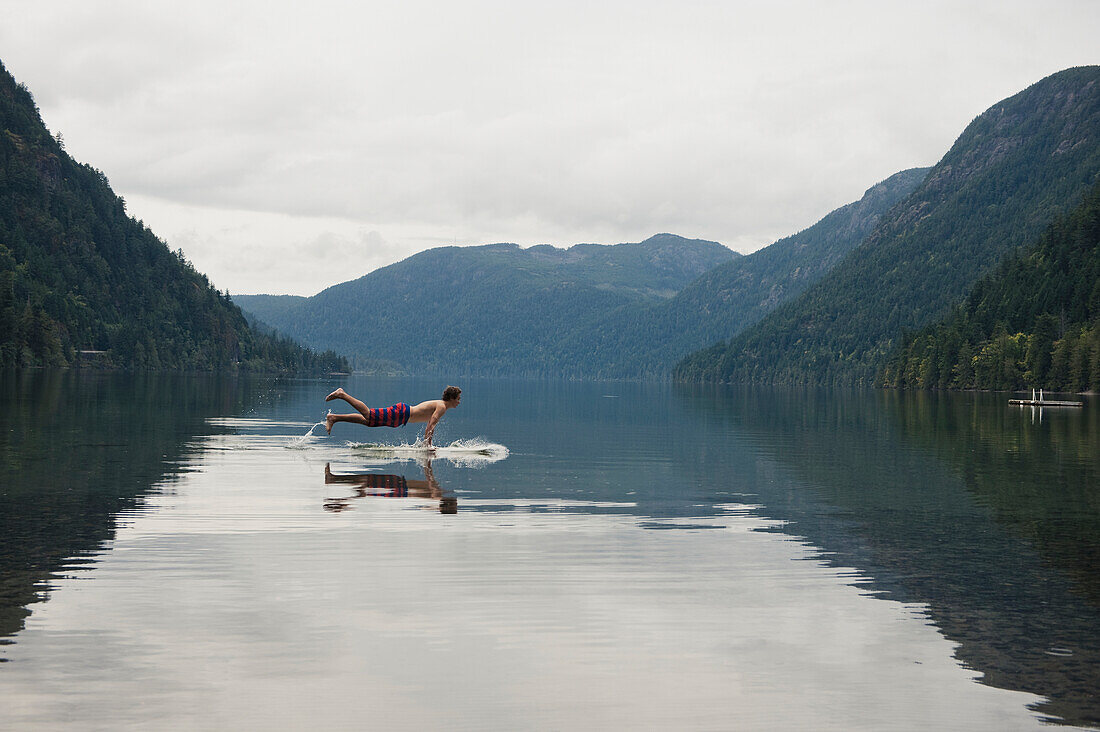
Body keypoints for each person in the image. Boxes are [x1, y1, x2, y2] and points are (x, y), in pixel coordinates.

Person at [324, 386, 461, 447]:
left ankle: (334, 418)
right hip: (402, 413)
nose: (459, 402)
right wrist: (428, 446)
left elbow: (430, 426)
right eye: (458, 399)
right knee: (369, 414)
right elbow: (430, 425)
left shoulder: (441, 405)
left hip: (402, 416)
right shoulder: (442, 406)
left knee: (368, 421)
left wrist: (427, 444)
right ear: (452, 398)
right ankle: (342, 394)